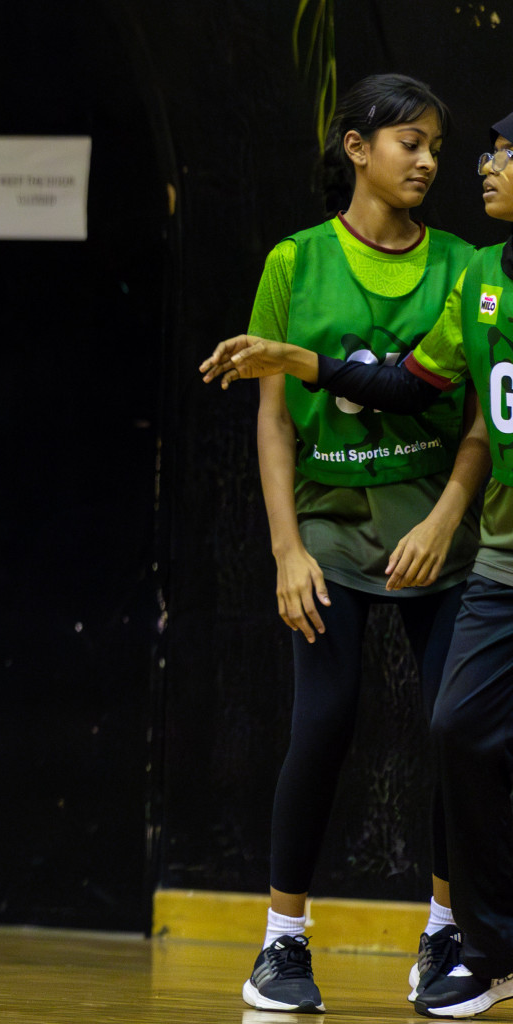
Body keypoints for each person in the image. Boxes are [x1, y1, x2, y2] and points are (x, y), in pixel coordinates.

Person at [204, 108, 513, 1020]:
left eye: (442, 150)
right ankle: (281, 942)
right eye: (410, 143)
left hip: (447, 537)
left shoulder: (462, 261)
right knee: (325, 721)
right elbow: (325, 402)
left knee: (458, 730)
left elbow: (469, 426)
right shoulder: (297, 262)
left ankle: (450, 932)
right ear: (357, 148)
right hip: (333, 529)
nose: (432, 162)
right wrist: (285, 546)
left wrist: (448, 518)